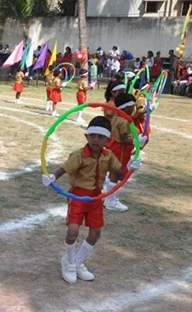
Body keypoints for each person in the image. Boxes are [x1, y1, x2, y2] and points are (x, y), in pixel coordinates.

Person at [43, 116, 141, 284]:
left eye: (101, 137)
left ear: (107, 139)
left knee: (95, 233)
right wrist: (52, 177)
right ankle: (69, 261)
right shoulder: (79, 155)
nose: (96, 139)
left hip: (96, 198)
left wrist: (131, 165)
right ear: (86, 136)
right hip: (78, 196)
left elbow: (118, 174)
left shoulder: (108, 156)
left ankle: (78, 261)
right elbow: (64, 168)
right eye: (93, 135)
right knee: (72, 231)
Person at [103, 93, 146, 212]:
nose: (134, 109)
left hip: (115, 147)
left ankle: (109, 198)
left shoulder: (118, 116)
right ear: (127, 107)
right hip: (120, 149)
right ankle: (111, 200)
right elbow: (124, 139)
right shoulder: (123, 121)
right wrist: (137, 140)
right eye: (132, 106)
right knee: (116, 173)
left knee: (114, 172)